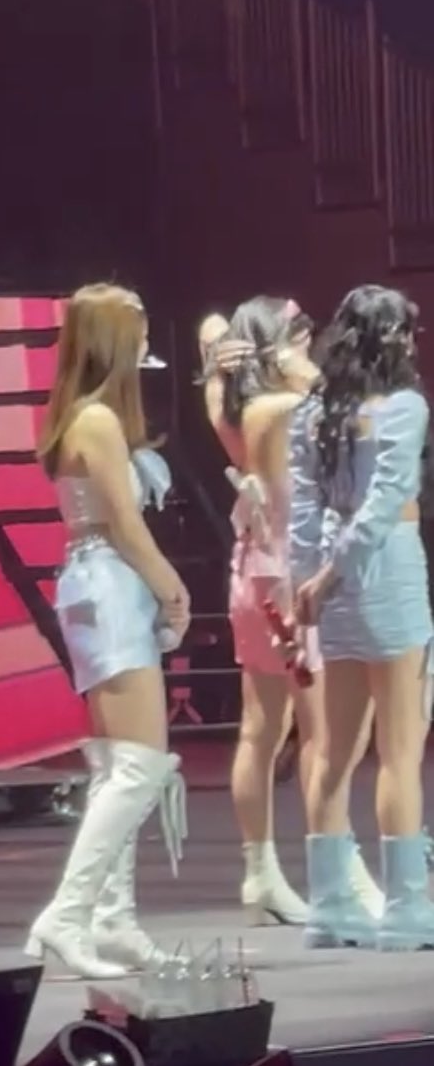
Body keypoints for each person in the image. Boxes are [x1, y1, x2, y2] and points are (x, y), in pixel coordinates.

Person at [198, 299, 380, 926]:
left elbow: (211, 328)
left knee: (262, 727)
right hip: (294, 580)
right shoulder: (282, 406)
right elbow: (351, 404)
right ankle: (339, 874)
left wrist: (223, 352)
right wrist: (294, 365)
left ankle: (261, 874)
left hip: (252, 573)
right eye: (301, 337)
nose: (310, 347)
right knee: (324, 736)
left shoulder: (227, 405)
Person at [26, 283, 189, 977]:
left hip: (102, 584)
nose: (148, 339)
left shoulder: (92, 416)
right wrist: (171, 586)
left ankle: (111, 918)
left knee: (119, 764)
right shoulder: (95, 420)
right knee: (140, 764)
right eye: (139, 328)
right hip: (110, 585)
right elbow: (124, 523)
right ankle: (69, 914)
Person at [290, 284, 434, 949]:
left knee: (334, 750)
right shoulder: (403, 406)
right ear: (392, 337)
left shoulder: (313, 410)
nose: (412, 343)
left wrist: (307, 584)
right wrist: (329, 576)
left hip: (331, 580)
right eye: (407, 332)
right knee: (399, 751)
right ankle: (406, 908)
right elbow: (384, 502)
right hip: (385, 568)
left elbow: (303, 508)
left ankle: (330, 905)